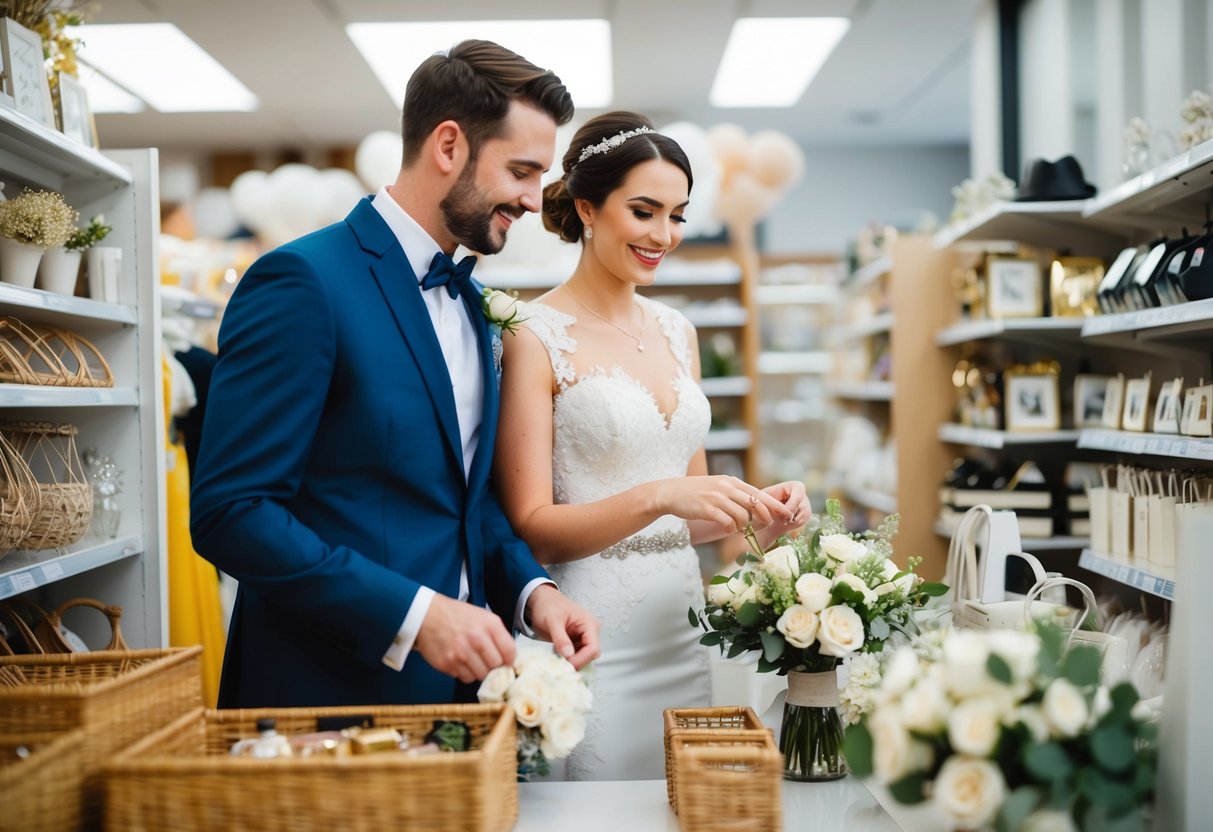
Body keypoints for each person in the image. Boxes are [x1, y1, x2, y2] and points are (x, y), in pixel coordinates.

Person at [190, 40, 599, 709]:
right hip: (325, 701)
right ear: (447, 145)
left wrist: (534, 593)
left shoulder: (470, 302)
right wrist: (413, 616)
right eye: (521, 170)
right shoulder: (302, 282)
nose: (532, 199)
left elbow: (463, 496)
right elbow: (231, 512)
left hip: (455, 702)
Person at [494, 111, 811, 780]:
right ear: (586, 207)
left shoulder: (677, 331)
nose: (663, 236)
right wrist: (658, 495)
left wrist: (757, 512)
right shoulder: (532, 334)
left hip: (682, 623)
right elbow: (534, 530)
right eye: (644, 212)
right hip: (592, 629)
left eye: (677, 216)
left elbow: (690, 511)